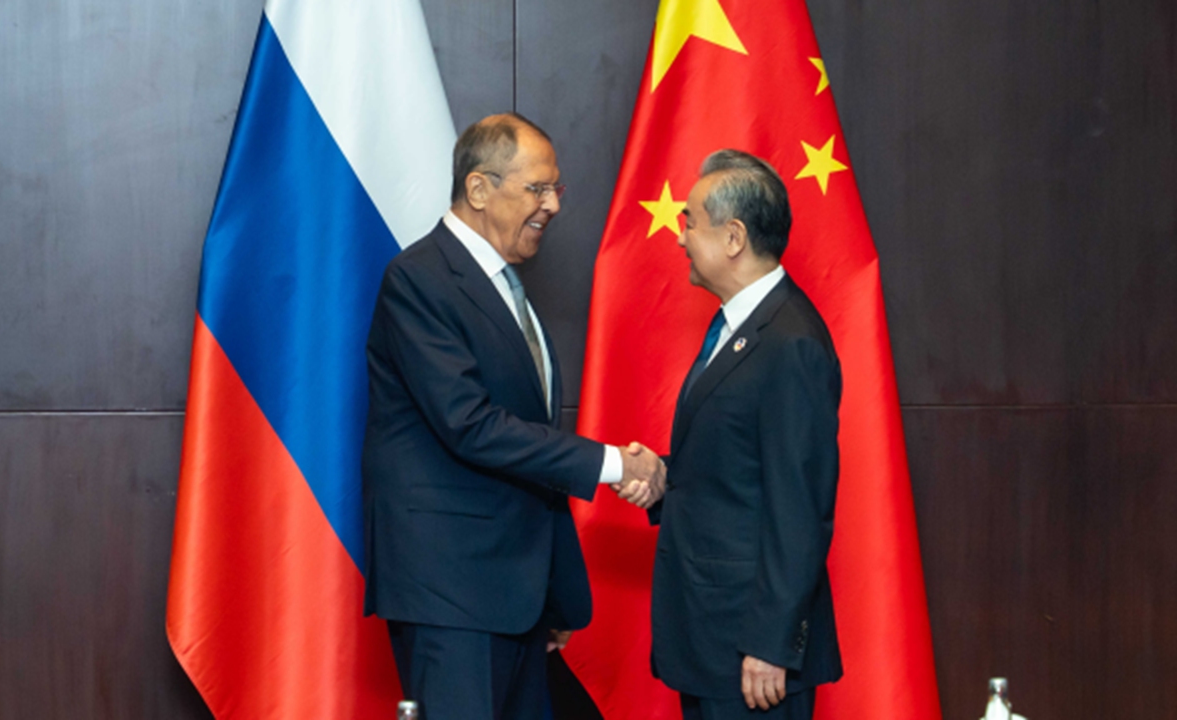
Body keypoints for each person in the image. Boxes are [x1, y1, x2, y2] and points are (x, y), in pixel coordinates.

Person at [361, 113, 664, 720]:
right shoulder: (420, 281)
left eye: (558, 190)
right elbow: (470, 425)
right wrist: (612, 464)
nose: (552, 205)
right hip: (453, 596)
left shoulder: (501, 282)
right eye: (537, 188)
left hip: (515, 598)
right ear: (478, 189)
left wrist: (546, 593)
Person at [647, 149, 843, 719]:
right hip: (713, 640)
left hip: (751, 654)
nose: (680, 237)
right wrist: (662, 476)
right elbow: (739, 466)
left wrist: (770, 642)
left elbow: (800, 507)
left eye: (689, 221)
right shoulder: (739, 325)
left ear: (733, 237)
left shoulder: (790, 343)